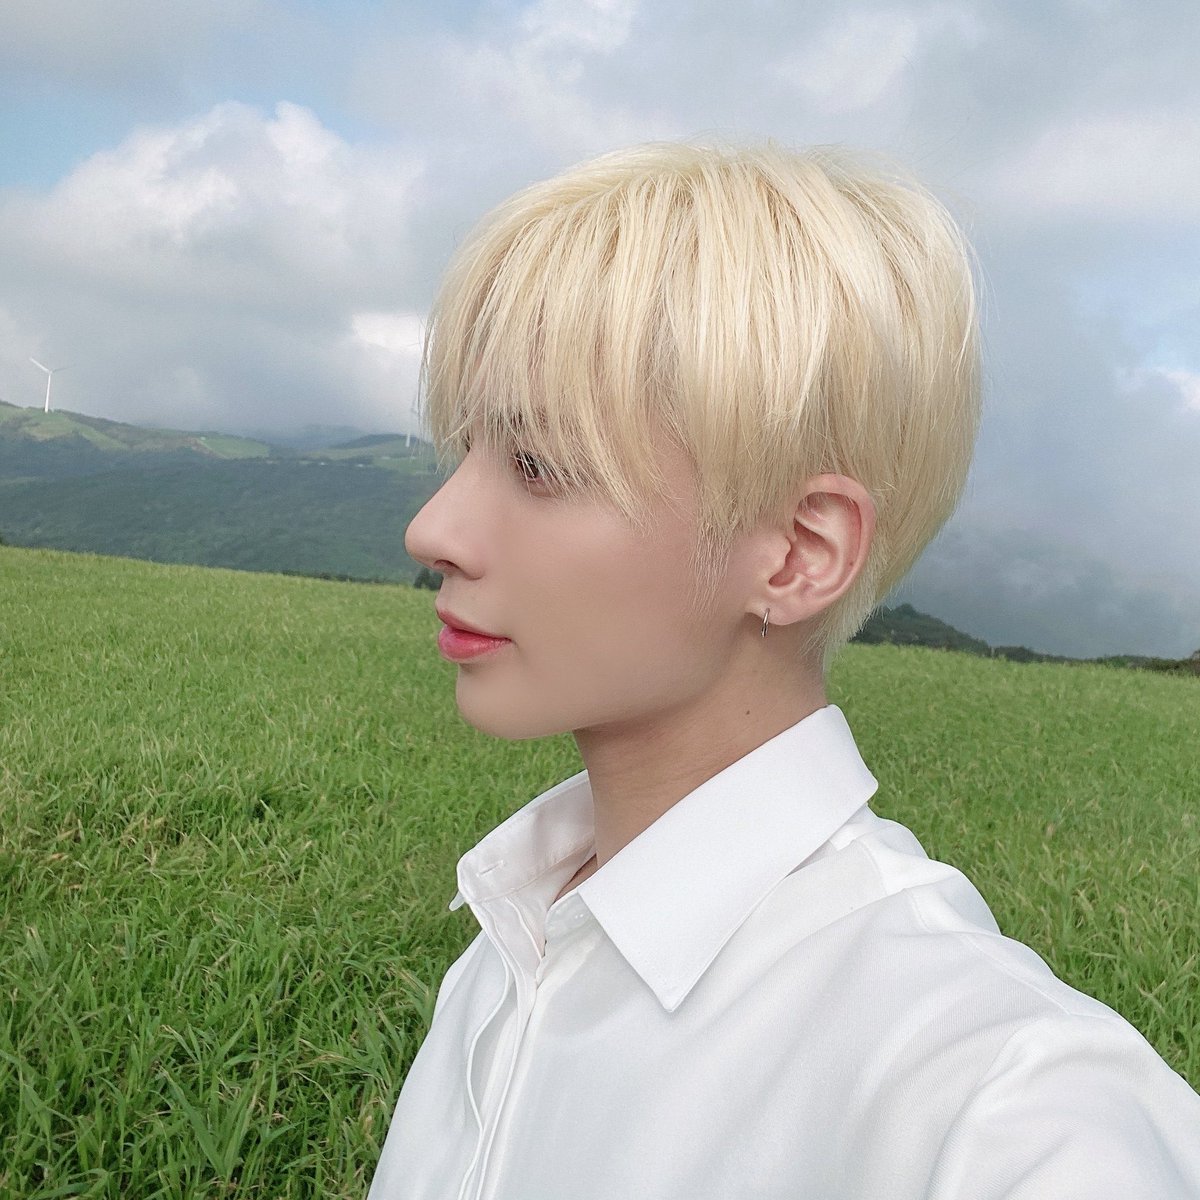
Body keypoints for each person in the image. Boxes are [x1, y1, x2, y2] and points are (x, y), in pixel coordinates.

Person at [369, 142, 1200, 1199]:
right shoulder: (507, 948)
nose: (432, 528)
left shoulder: (998, 1101)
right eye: (465, 450)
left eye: (539, 464)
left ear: (801, 553)